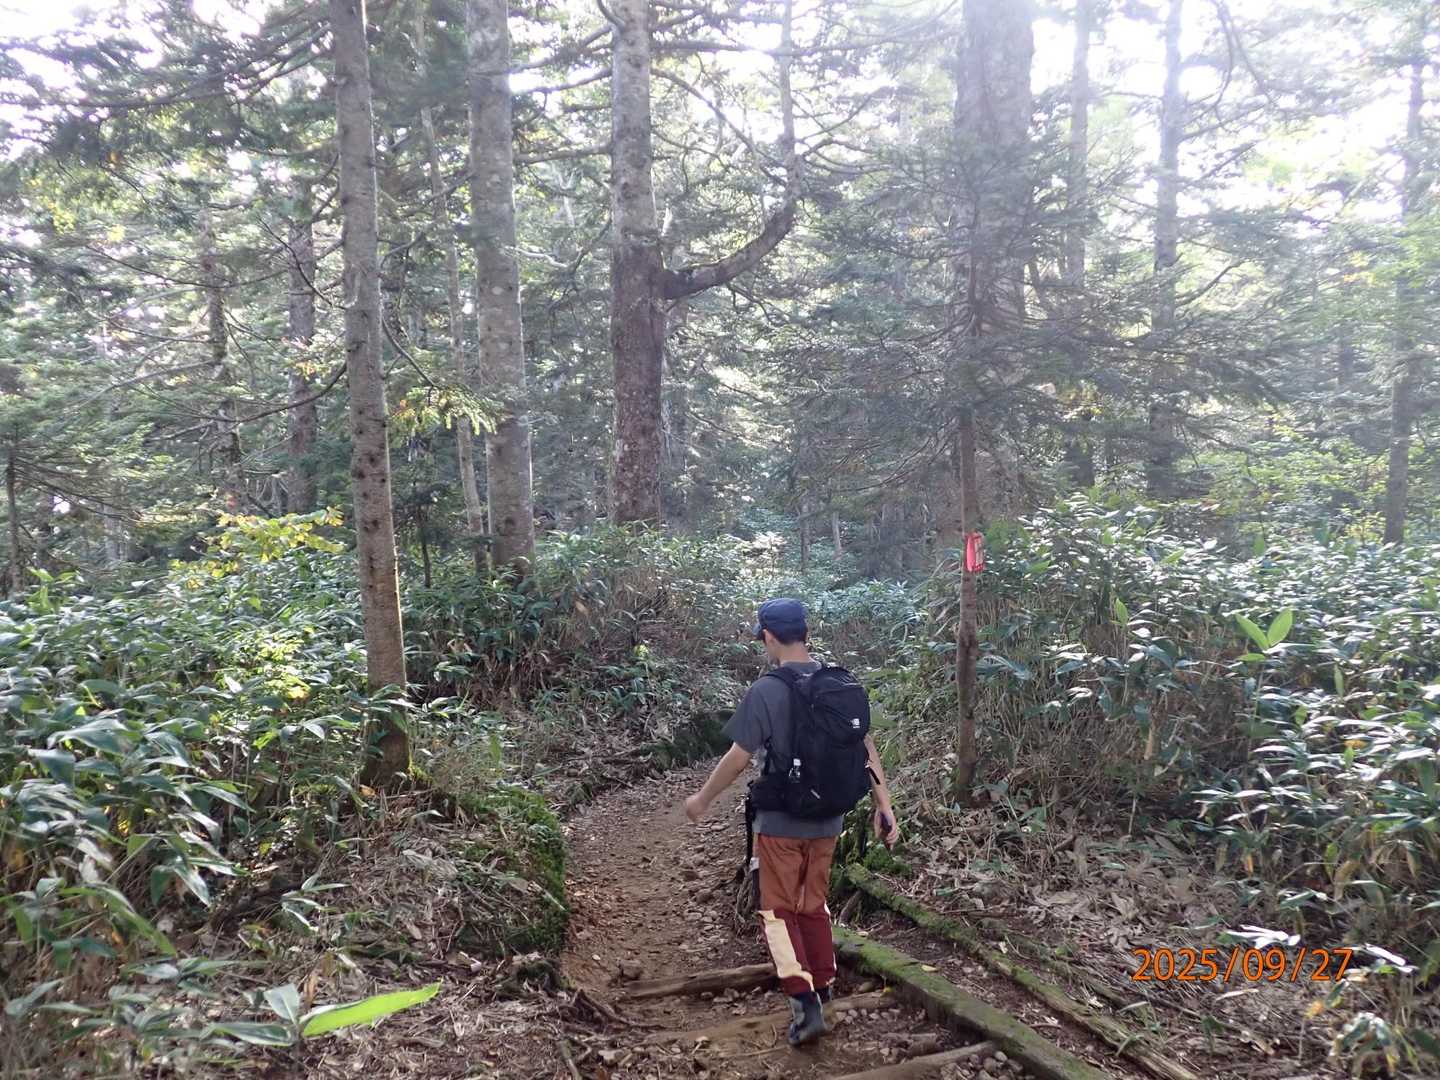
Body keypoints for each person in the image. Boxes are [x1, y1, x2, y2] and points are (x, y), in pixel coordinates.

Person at [683, 597, 901, 1047]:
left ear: (768, 637)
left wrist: (702, 799)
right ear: (806, 633)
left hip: (782, 822)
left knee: (778, 913)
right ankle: (824, 987)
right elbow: (865, 748)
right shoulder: (840, 684)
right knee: (814, 906)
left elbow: (739, 757)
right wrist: (885, 806)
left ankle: (804, 1004)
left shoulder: (766, 690)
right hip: (829, 821)